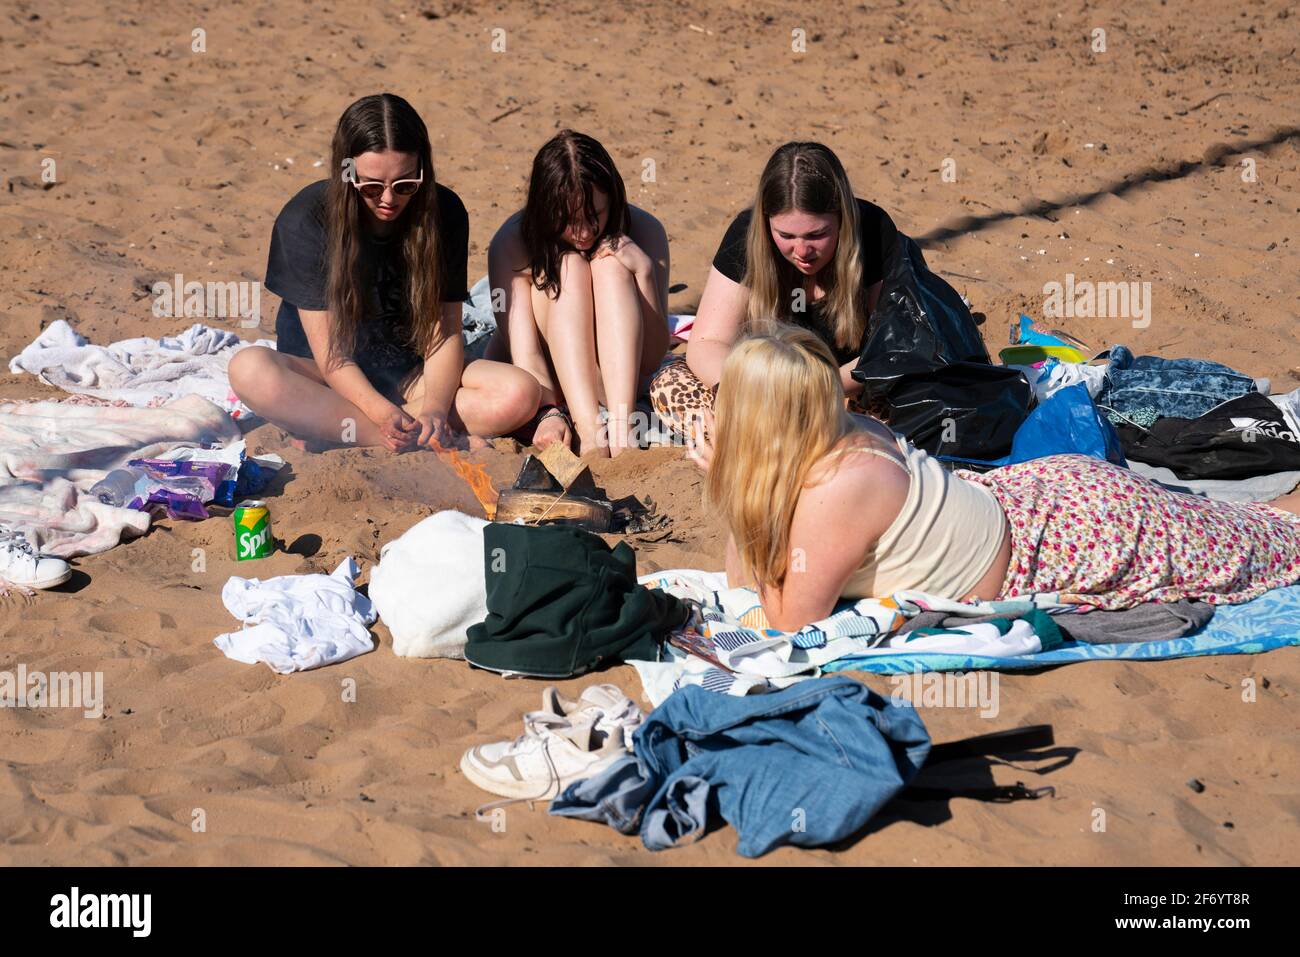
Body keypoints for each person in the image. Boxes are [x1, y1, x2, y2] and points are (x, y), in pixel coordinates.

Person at [692, 324, 1300, 633]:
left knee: (1274, 549)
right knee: (1254, 529)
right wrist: (742, 484)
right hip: (1050, 497)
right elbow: (751, 572)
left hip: (1072, 538)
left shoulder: (838, 488)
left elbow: (787, 619)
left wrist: (732, 491)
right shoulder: (838, 426)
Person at [229, 93, 539, 452]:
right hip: (323, 378)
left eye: (406, 185)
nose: (389, 199)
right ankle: (386, 437)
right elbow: (333, 356)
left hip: (408, 375)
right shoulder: (307, 220)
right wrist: (381, 415)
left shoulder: (445, 212)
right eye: (371, 186)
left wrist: (436, 411)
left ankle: (356, 431)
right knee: (249, 369)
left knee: (519, 393)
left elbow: (444, 335)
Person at [650, 141, 899, 440]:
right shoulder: (746, 234)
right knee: (669, 383)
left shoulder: (873, 231)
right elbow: (708, 341)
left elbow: (888, 350)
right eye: (786, 235)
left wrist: (812, 393)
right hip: (762, 388)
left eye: (817, 235)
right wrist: (740, 391)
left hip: (842, 390)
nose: (802, 251)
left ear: (843, 219)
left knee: (898, 410)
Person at [485, 130, 670, 457]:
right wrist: (551, 413)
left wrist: (643, 271)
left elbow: (652, 359)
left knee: (611, 266)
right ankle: (589, 431)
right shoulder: (512, 242)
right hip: (550, 379)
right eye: (569, 221)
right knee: (569, 265)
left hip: (618, 381)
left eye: (595, 216)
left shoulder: (645, 229)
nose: (584, 232)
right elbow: (525, 354)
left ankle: (622, 428)